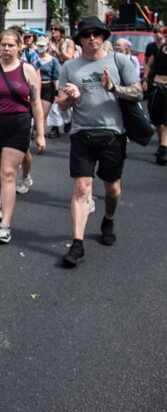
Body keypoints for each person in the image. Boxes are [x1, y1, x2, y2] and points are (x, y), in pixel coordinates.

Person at [57, 17, 142, 265]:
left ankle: (108, 218)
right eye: (86, 34)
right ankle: (77, 244)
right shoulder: (70, 67)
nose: (92, 38)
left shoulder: (120, 61)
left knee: (112, 188)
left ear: (104, 36)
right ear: (79, 39)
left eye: (96, 33)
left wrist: (114, 88)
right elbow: (62, 105)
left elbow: (138, 92)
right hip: (82, 133)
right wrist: (71, 97)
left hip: (113, 134)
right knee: (82, 188)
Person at [0, 29, 45, 244]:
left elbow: (36, 104)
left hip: (18, 123)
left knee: (8, 173)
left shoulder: (27, 70)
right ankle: (4, 204)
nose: (6, 49)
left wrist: (41, 134)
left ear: (19, 47)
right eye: (3, 45)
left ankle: (5, 224)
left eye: (11, 45)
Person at [145, 26, 167, 165]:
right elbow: (148, 64)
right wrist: (145, 79)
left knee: (166, 120)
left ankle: (164, 150)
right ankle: (162, 143)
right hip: (157, 86)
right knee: (156, 120)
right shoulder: (157, 49)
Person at [36, 37, 63, 139]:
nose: (40, 48)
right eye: (39, 46)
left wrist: (57, 93)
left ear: (47, 46)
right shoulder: (34, 58)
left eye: (42, 46)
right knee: (36, 113)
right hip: (36, 87)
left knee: (43, 114)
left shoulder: (53, 60)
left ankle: (41, 136)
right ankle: (38, 132)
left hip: (48, 87)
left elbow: (56, 78)